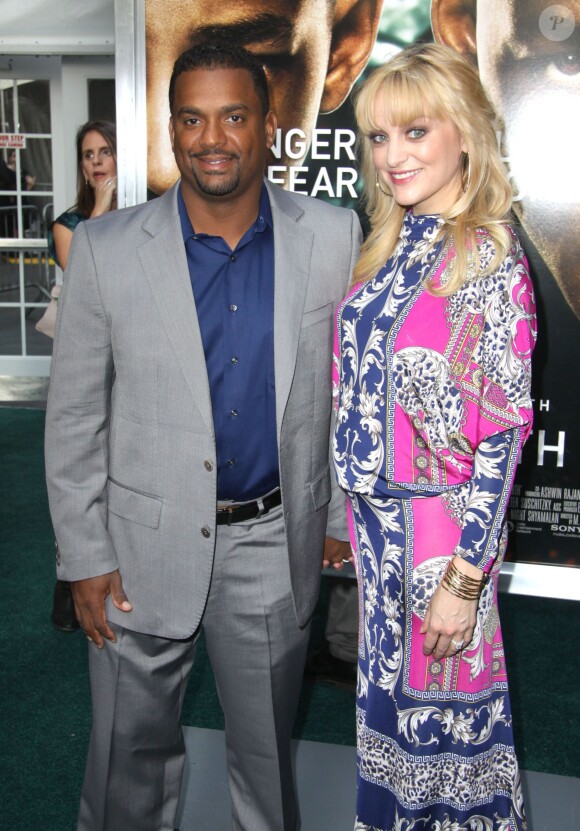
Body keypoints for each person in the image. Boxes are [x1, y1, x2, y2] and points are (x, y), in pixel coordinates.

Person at [45, 42, 361, 831]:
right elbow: (76, 415)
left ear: (270, 124)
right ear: (172, 127)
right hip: (136, 550)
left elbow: (347, 394)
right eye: (191, 118)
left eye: (232, 116)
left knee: (266, 765)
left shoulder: (331, 236)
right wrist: (84, 556)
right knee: (126, 761)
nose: (211, 137)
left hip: (270, 544)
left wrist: (331, 519)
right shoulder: (109, 251)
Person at [333, 43, 536, 829]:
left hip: (442, 541)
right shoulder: (392, 244)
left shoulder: (487, 255)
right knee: (394, 735)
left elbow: (504, 436)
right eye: (379, 138)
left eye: (415, 132)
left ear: (465, 135)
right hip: (382, 537)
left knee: (448, 745)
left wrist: (463, 579)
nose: (393, 156)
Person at [145, 0, 383, 194]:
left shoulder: (343, 237)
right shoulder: (114, 237)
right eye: (122, 66)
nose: (161, 171)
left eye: (236, 67)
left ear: (343, 44)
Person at [47, 120, 118, 633]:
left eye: (105, 151)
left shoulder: (147, 213)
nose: (96, 161)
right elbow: (88, 291)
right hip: (91, 362)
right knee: (82, 462)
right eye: (87, 154)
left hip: (134, 362)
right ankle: (74, 582)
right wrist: (99, 213)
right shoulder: (71, 223)